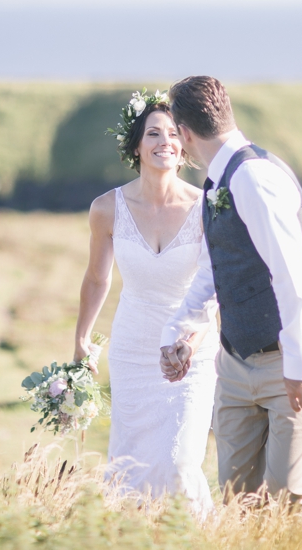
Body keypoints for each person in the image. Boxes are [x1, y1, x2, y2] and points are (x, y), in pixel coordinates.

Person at [159, 76, 302, 512]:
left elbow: (291, 276)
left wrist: (297, 365)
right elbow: (214, 267)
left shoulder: (254, 178)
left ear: (183, 134)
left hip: (290, 362)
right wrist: (179, 329)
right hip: (236, 366)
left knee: (287, 499)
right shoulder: (216, 181)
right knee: (238, 502)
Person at [72, 90, 219, 512]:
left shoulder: (206, 208)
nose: (165, 142)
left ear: (185, 143)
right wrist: (81, 339)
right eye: (153, 133)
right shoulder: (107, 209)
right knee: (130, 465)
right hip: (132, 351)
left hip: (190, 353)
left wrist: (189, 342)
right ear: (135, 144)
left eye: (174, 134)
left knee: (178, 464)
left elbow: (215, 291)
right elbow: (97, 278)